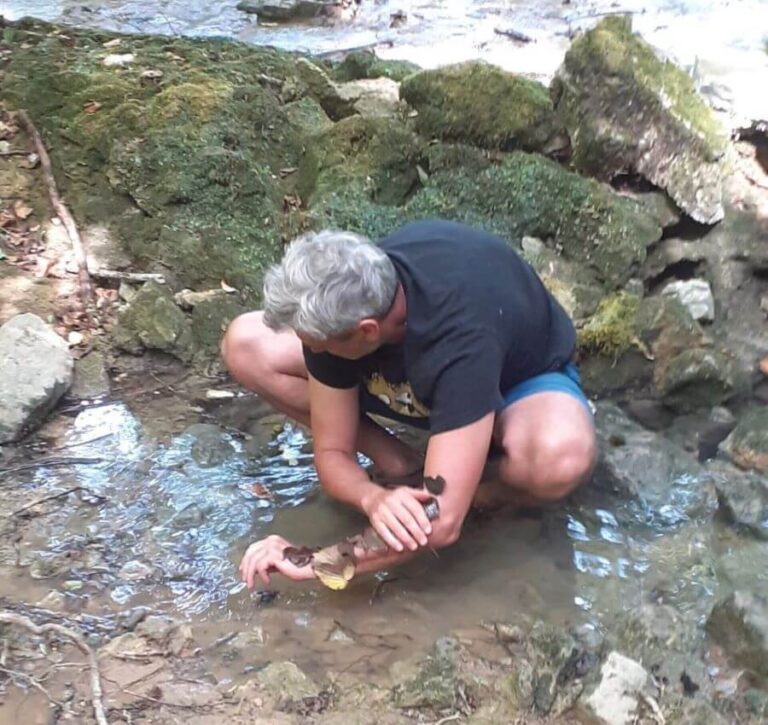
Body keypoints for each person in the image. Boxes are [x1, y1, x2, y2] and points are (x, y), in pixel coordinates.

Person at [221, 219, 597, 590]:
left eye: (319, 347)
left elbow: (441, 522)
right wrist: (373, 498)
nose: (314, 352)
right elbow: (332, 450)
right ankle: (403, 465)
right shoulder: (346, 307)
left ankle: (478, 493)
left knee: (559, 457)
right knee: (246, 343)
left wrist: (317, 562)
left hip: (513, 384)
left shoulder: (460, 335)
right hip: (412, 380)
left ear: (366, 330)